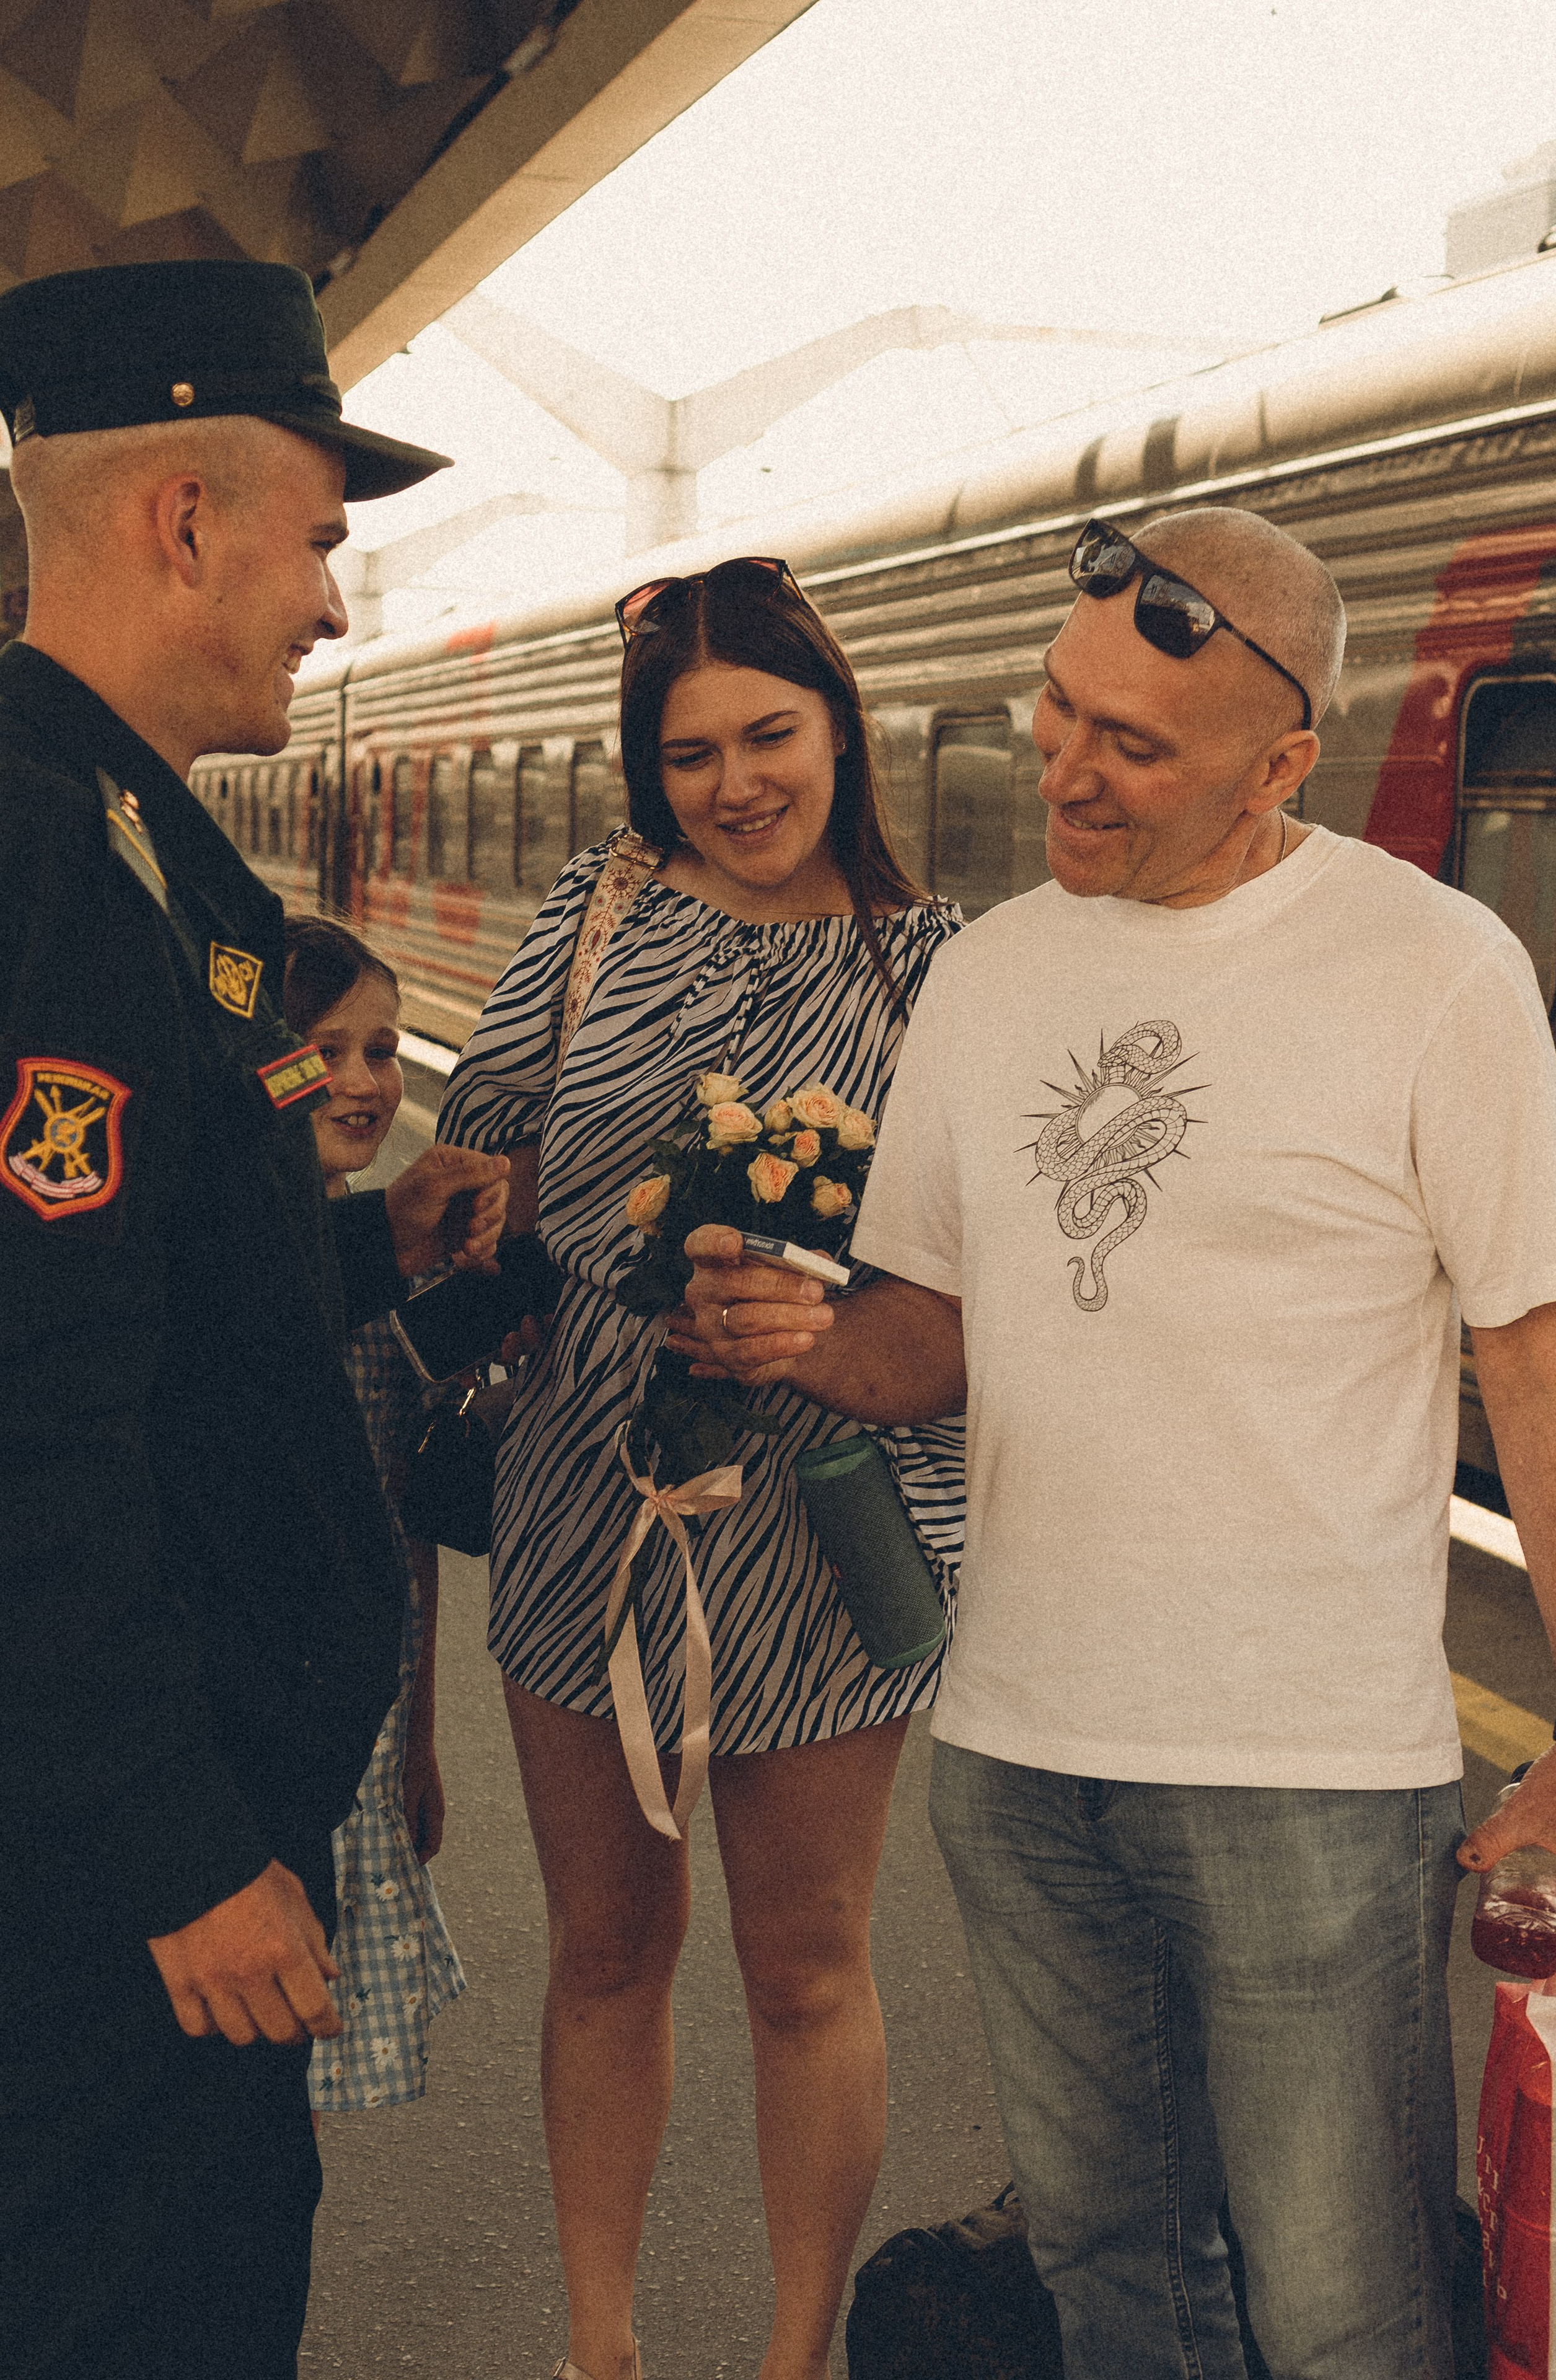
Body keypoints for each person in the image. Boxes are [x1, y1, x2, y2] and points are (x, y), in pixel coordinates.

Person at [679, 506, 1556, 2379]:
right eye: (1058, 709)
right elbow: (929, 1331)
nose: (1067, 767)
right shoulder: (995, 969)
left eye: (1134, 744)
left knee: (1346, 2310)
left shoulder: (1434, 968)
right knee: (1113, 2279)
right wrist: (805, 1339)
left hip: (1310, 1775)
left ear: (1281, 765)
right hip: (1019, 1755)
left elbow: (1545, 1364)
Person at [0, 260, 511, 2380]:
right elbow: (34, 1416)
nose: (332, 602)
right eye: (316, 541)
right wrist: (189, 1851)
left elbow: (190, 1282)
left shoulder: (174, 880)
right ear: (176, 520)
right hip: (128, 1886)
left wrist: (391, 1256)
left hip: (176, 1835)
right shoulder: (43, 868)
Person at [435, 555, 965, 2380]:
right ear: (645, 774)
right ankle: (604, 2352)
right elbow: (476, 1154)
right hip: (588, 1489)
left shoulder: (938, 967)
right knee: (605, 1949)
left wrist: (830, 1316)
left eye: (769, 734)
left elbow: (978, 1272)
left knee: (807, 1960)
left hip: (829, 1514)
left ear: (842, 731)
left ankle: (795, 2357)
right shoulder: (590, 914)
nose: (735, 782)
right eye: (689, 753)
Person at [282, 916, 467, 2115]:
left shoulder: (391, 1258)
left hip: (372, 1712)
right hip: (284, 1714)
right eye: (324, 1050)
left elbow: (409, 1521)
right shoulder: (256, 1262)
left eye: (383, 1048)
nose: (360, 1080)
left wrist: (424, 1731)